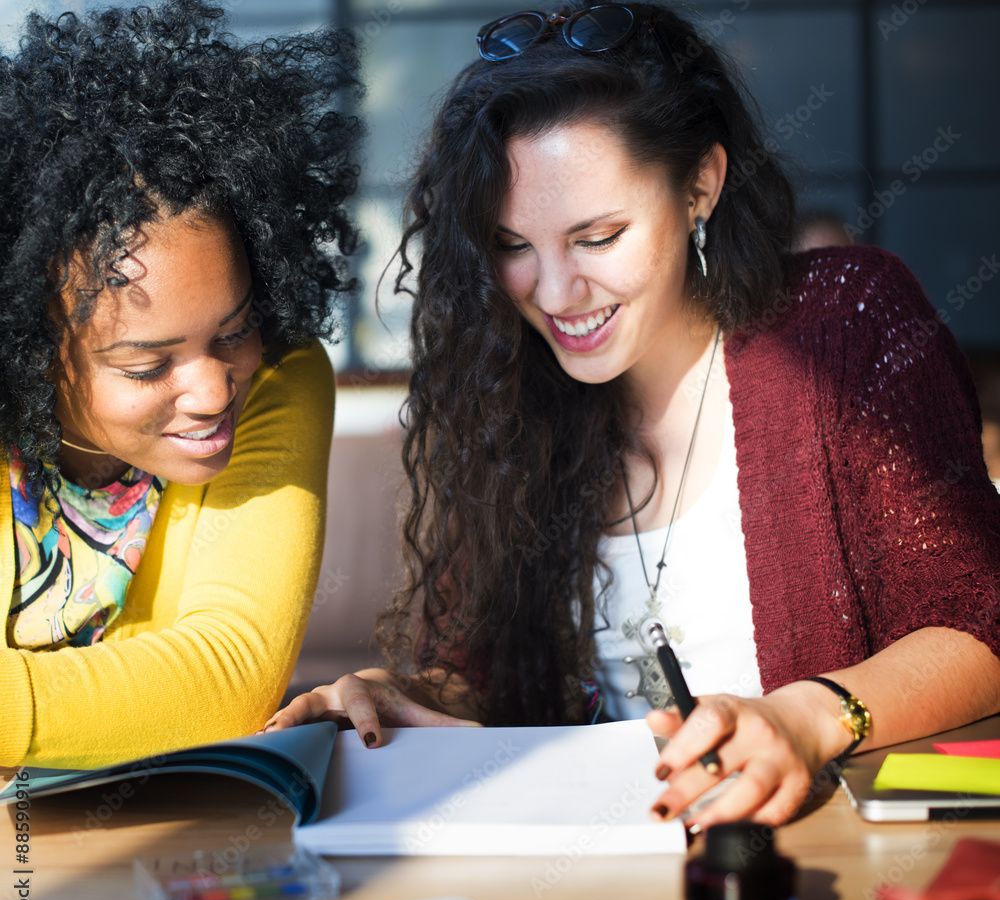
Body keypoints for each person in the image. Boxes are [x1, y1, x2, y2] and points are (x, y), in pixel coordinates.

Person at [266, 1, 1000, 830]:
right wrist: (405, 698)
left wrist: (802, 718)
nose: (553, 293)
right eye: (513, 246)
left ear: (700, 186)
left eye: (598, 235)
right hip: (609, 890)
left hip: (805, 865)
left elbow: (979, 620)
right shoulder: (511, 391)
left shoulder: (846, 322)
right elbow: (476, 672)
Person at [0, 1, 360, 769]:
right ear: (33, 352)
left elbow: (225, 681)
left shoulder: (278, 379)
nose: (210, 391)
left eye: (232, 332)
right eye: (147, 366)